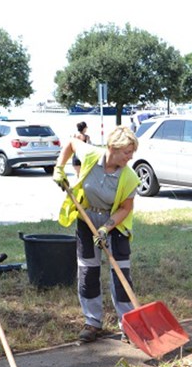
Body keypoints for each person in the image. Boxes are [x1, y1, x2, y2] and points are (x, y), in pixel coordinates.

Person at [52, 126, 141, 344]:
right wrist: (59, 168)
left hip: (115, 226)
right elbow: (72, 143)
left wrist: (105, 229)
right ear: (112, 147)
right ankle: (92, 322)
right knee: (88, 271)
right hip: (87, 220)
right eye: (127, 152)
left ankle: (128, 324)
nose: (131, 157)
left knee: (121, 274)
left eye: (132, 152)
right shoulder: (91, 155)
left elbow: (125, 208)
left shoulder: (129, 176)